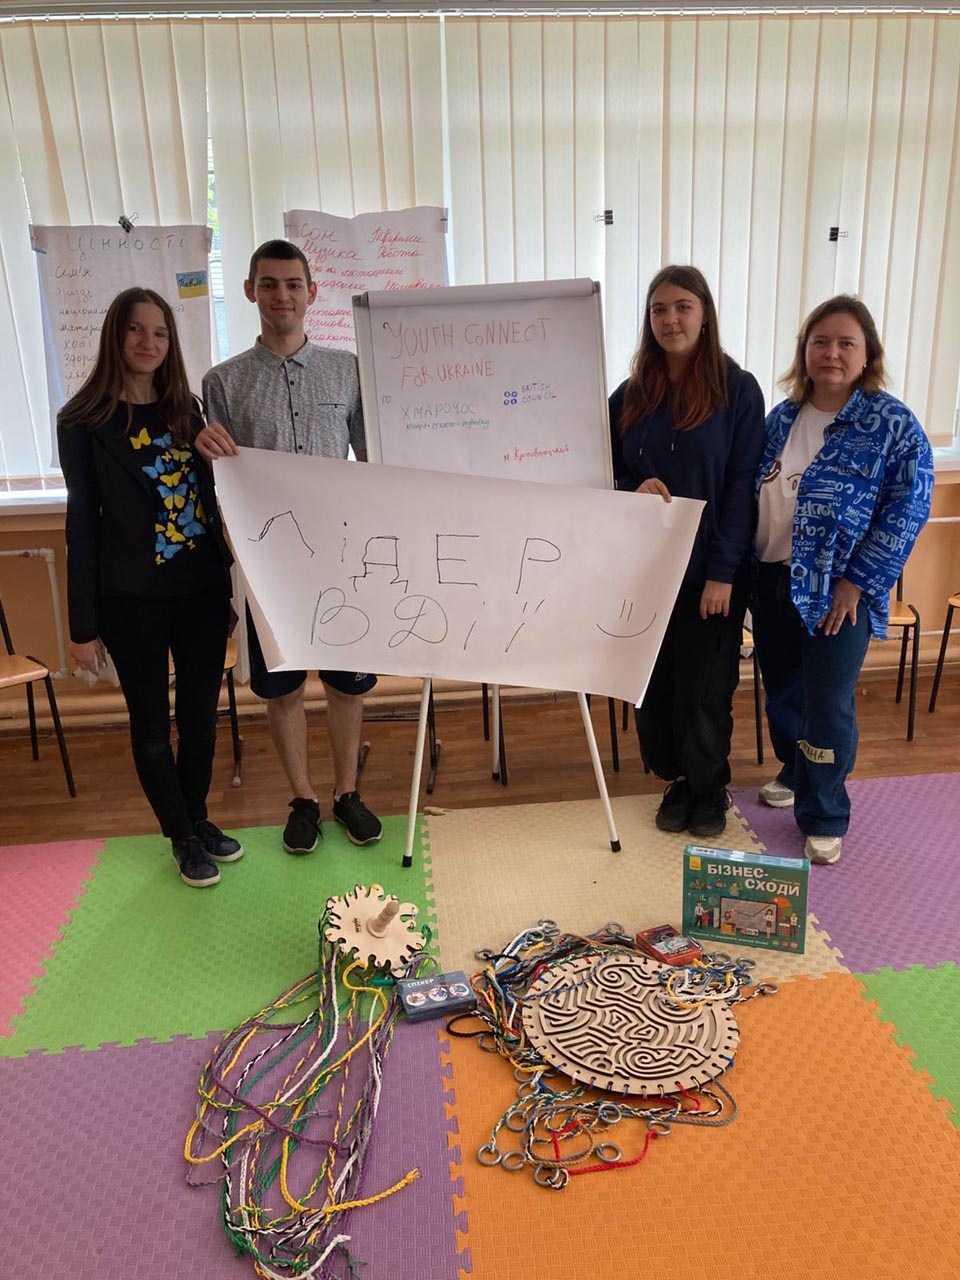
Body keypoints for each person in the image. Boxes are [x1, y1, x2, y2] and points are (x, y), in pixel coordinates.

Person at [195, 239, 381, 855]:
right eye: (269, 284)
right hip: (268, 564)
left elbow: (371, 462)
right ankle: (303, 798)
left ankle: (347, 792)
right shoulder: (223, 383)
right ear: (250, 290)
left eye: (293, 284)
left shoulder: (348, 371)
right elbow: (222, 481)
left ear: (311, 293)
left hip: (340, 556)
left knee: (348, 682)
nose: (282, 295)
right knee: (283, 687)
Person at [58, 287, 240, 888]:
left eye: (160, 332)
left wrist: (218, 457)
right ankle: (181, 835)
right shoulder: (83, 421)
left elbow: (211, 499)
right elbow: (82, 523)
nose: (148, 342)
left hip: (201, 592)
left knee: (201, 717)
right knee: (152, 724)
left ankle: (198, 817)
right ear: (116, 334)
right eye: (136, 330)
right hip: (129, 599)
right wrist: (82, 626)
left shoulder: (185, 410)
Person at [753, 295, 933, 865]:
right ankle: (795, 770)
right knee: (783, 691)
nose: (831, 353)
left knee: (827, 702)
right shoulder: (781, 419)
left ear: (866, 354)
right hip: (772, 580)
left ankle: (825, 813)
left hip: (839, 593)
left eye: (845, 343)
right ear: (804, 351)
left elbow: (908, 510)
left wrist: (857, 583)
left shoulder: (892, 425)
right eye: (820, 342)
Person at [609, 265, 765, 838]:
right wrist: (631, 488)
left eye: (682, 307)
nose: (670, 319)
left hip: (710, 573)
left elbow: (741, 485)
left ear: (704, 315)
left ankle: (708, 785)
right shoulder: (631, 394)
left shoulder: (737, 390)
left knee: (703, 688)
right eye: (658, 310)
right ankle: (676, 779)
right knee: (655, 687)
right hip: (646, 572)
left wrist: (723, 573)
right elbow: (604, 472)